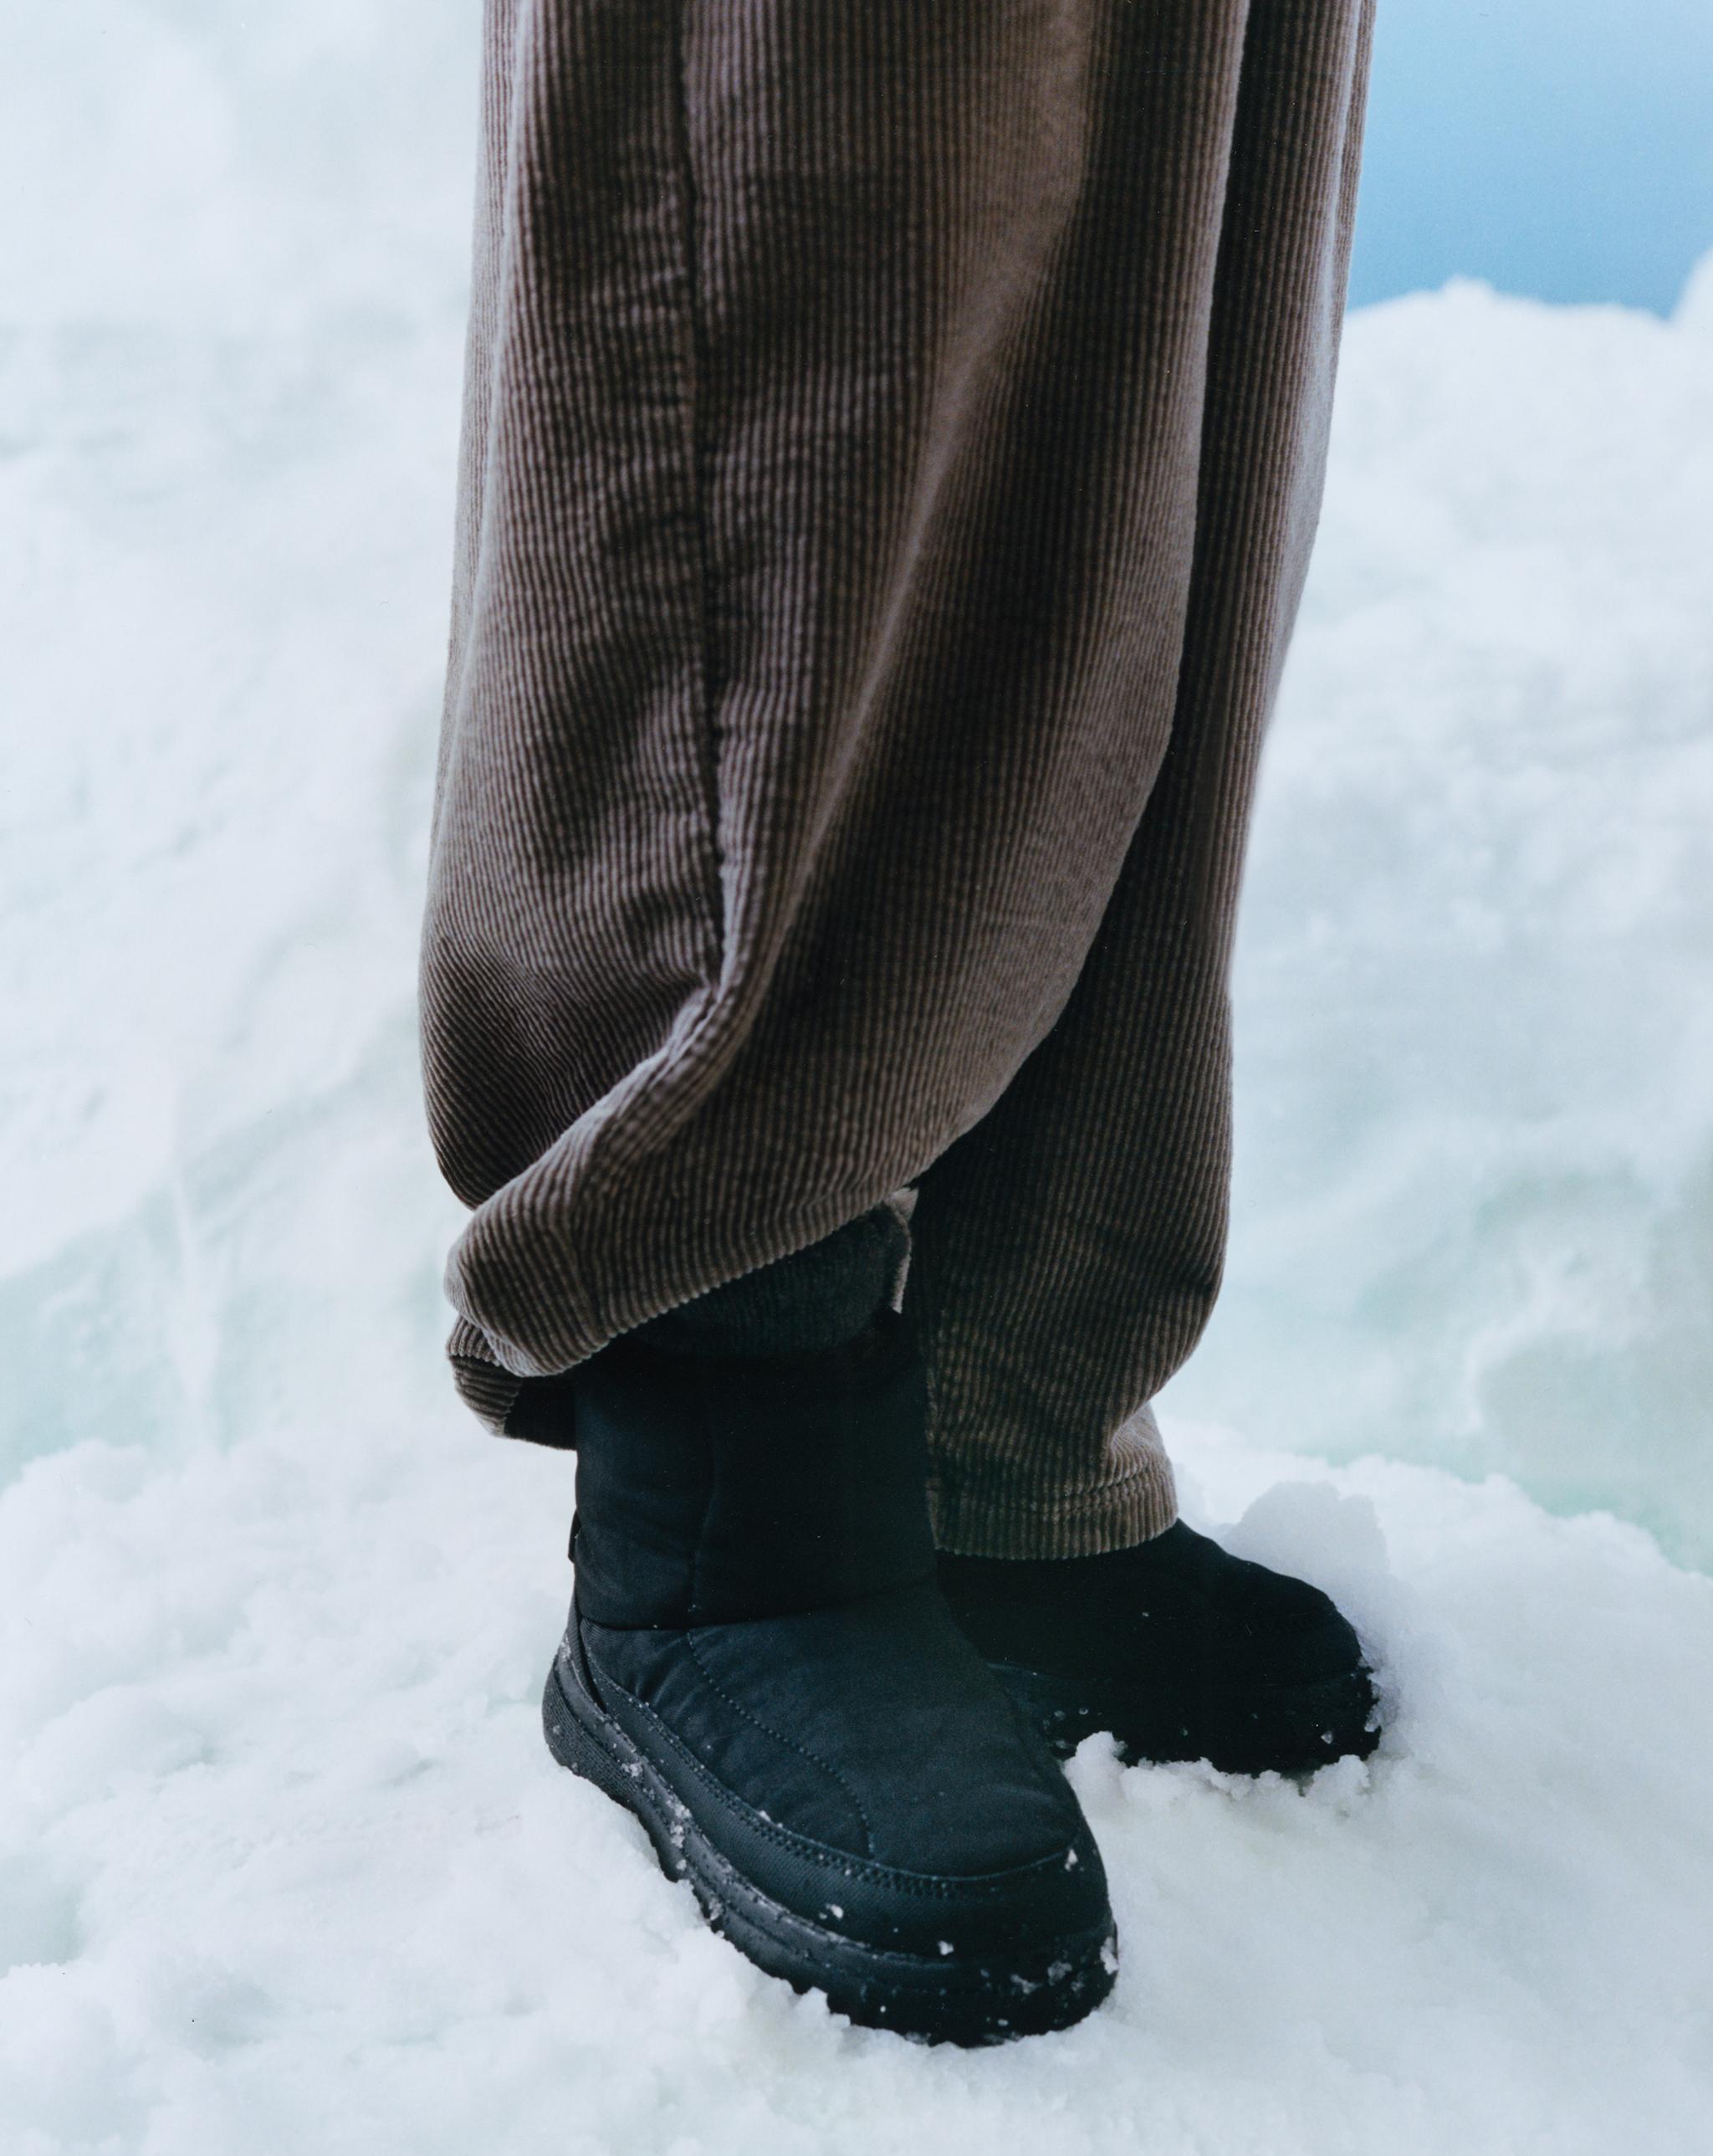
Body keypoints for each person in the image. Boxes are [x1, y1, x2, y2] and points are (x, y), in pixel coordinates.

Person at [422, 0, 1378, 2045]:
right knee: (834, 123)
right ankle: (735, 1438)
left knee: (1195, 173)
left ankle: (985, 1412)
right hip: (717, 1449)